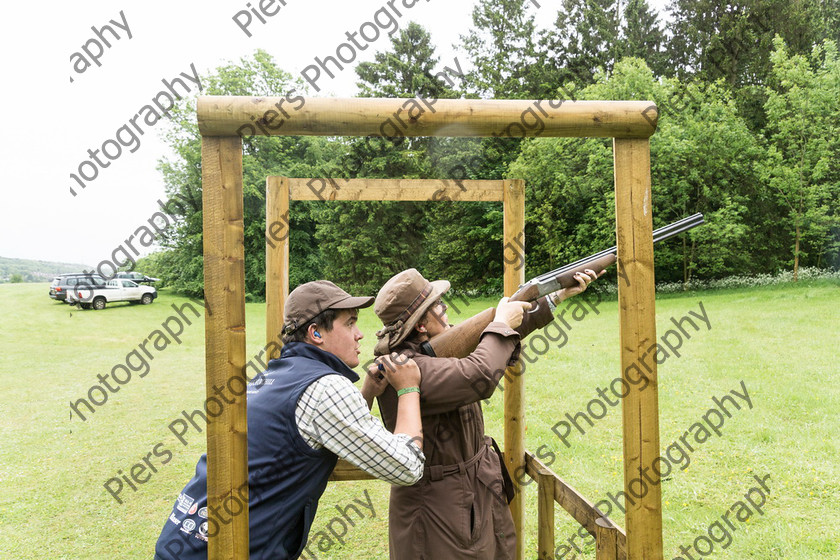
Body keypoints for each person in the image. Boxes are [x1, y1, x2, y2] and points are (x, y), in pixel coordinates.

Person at [154, 280, 425, 560]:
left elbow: (329, 431)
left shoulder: (267, 378)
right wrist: (408, 388)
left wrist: (367, 392)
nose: (360, 335)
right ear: (316, 333)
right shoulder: (327, 387)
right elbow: (407, 467)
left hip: (181, 544)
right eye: (350, 323)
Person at [373, 268, 599, 559]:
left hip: (471, 491)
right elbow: (478, 374)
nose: (445, 308)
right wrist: (502, 321)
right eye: (438, 305)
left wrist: (556, 295)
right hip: (438, 506)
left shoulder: (430, 350)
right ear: (421, 326)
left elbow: (492, 337)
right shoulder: (407, 368)